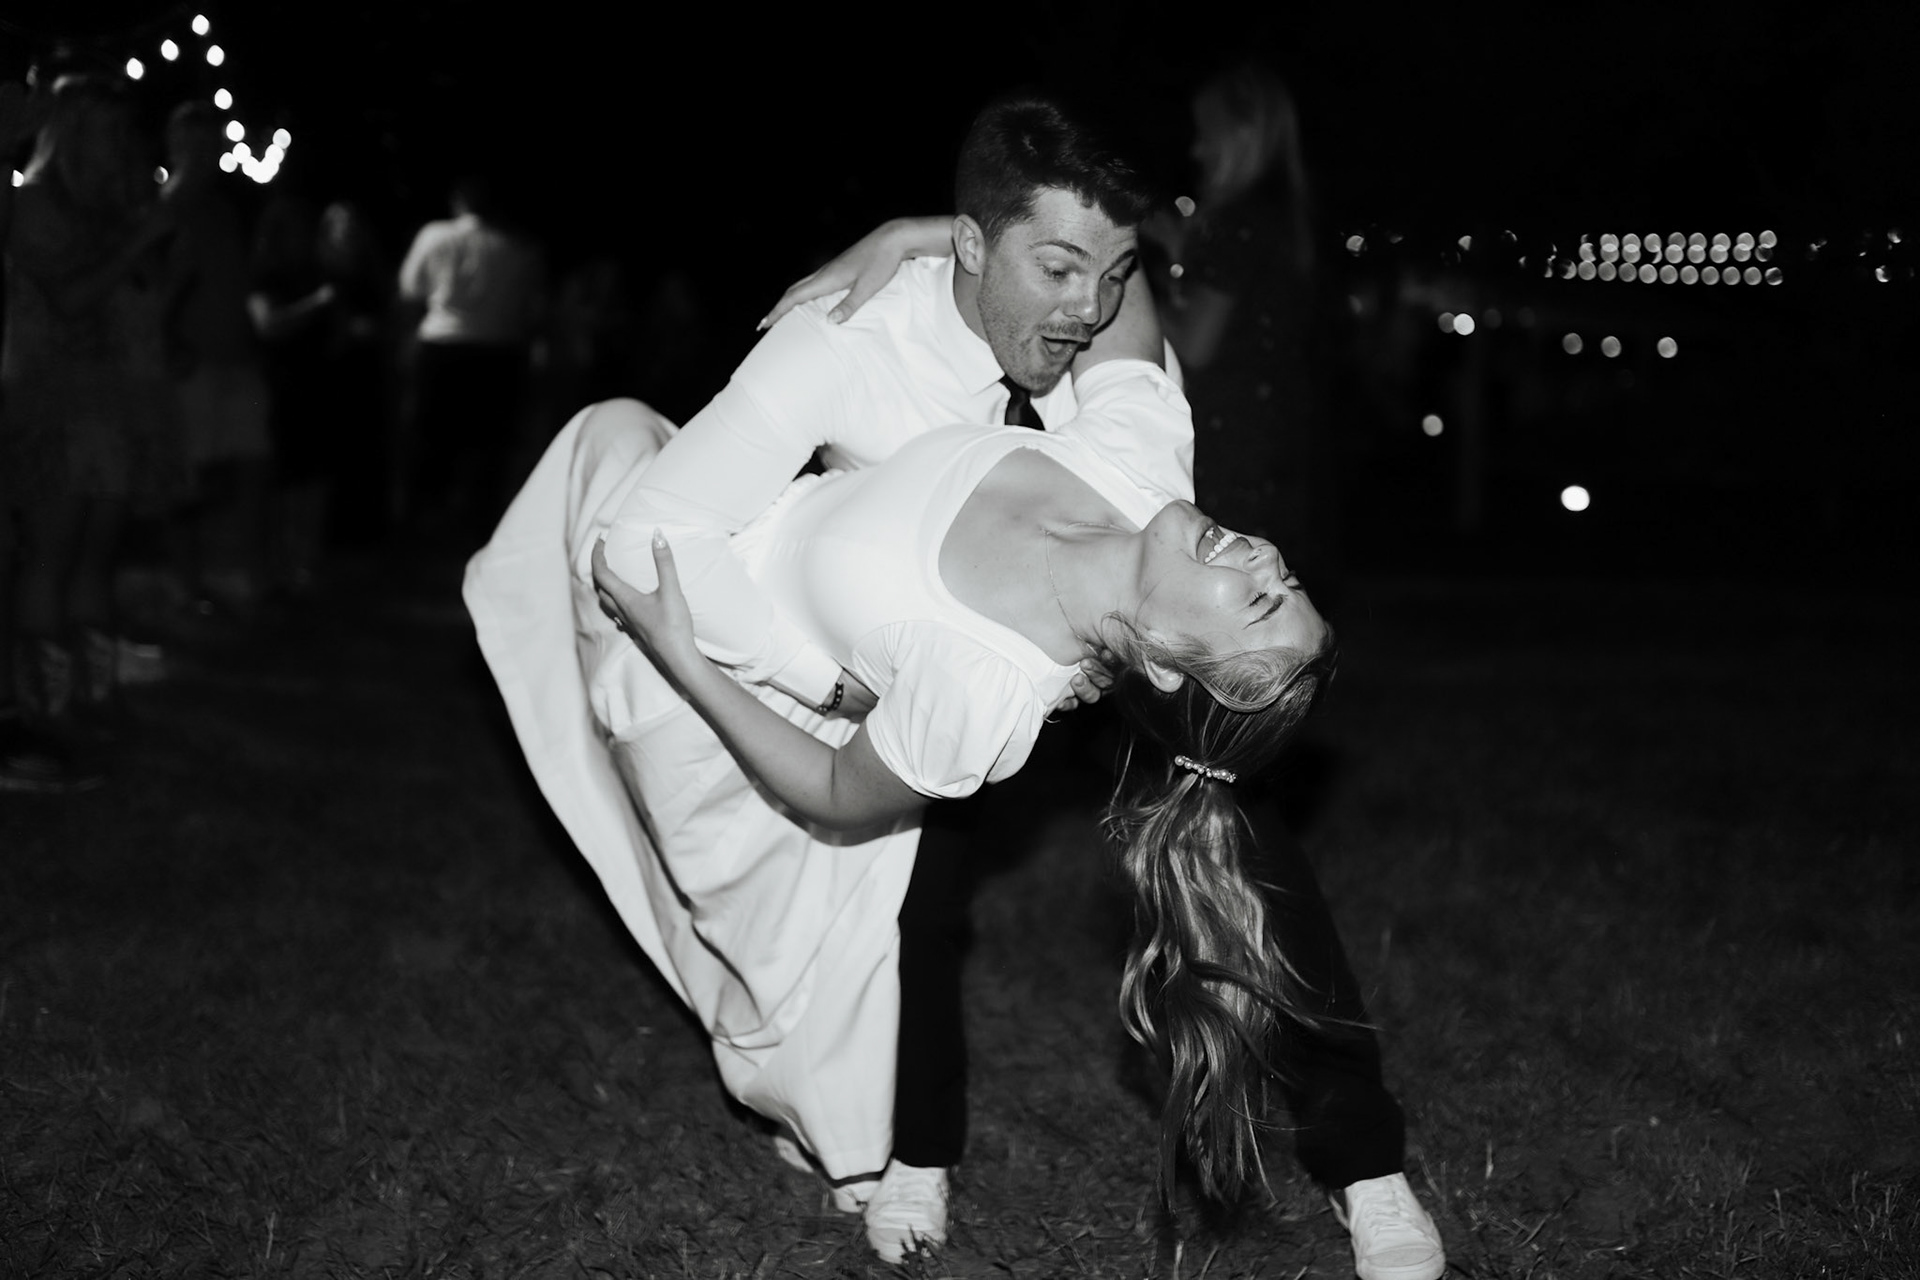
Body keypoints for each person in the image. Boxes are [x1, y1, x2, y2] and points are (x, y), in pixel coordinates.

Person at [768, 94, 1441, 1280]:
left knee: (1257, 869)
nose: (1079, 295)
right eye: (1052, 262)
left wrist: (919, 231)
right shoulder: (952, 337)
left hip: (1150, 633)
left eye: (1094, 268)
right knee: (920, 880)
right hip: (992, 633)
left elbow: (1130, 313)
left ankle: (1366, 1164)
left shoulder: (1132, 439)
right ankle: (918, 1145)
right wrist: (922, 237)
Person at [467, 381, 1332, 1257]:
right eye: (1286, 579)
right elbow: (1107, 309)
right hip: (737, 556)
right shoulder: (1126, 469)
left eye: (1261, 600)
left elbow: (835, 789)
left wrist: (682, 654)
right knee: (613, 430)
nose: (1265, 557)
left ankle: (853, 1141)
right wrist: (896, 277)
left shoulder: (985, 694)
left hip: (719, 704)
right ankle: (846, 1129)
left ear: (1170, 664)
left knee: (784, 960)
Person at [2, 74, 183, 775]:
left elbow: (147, 300)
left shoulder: (109, 207)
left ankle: (91, 692)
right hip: (52, 399)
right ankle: (43, 708)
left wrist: (147, 233)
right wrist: (138, 239)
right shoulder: (32, 204)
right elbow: (69, 299)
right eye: (108, 132)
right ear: (73, 132)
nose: (121, 145)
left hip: (111, 402)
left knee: (96, 554)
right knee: (51, 553)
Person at [397, 176, 545, 537]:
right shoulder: (516, 247)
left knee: (434, 437)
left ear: (458, 200)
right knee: (487, 444)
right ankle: (476, 526)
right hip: (496, 352)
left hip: (444, 346)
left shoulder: (436, 235)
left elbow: (410, 288)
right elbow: (531, 308)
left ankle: (426, 523)